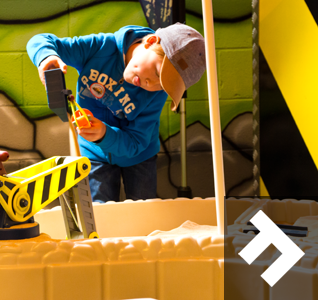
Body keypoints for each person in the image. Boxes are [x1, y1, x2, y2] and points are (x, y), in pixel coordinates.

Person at [27, 23, 205, 203]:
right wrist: (46, 57)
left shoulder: (155, 94)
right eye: (157, 72)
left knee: (143, 217)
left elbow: (137, 141)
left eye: (163, 85)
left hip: (139, 156)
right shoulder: (100, 47)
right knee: (100, 216)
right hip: (94, 153)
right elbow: (41, 40)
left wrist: (104, 134)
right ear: (150, 41)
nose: (151, 83)